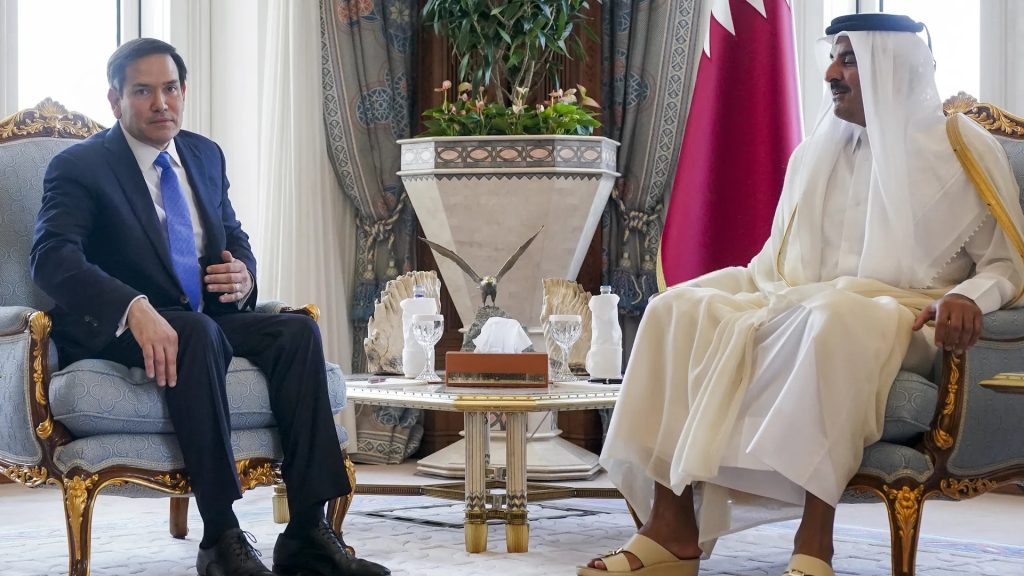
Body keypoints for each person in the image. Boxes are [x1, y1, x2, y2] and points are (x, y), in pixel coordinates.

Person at [580, 14, 1024, 576]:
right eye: (832, 58)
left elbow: (1006, 262)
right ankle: (670, 530)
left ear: (893, 66)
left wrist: (971, 298)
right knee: (676, 309)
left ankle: (815, 544)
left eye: (849, 60)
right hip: (803, 298)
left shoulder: (960, 148)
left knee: (832, 318)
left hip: (906, 315)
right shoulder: (817, 151)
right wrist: (754, 297)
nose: (831, 74)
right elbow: (776, 265)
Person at [30, 38, 390, 576]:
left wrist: (243, 275)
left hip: (206, 317)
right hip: (123, 328)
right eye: (143, 91)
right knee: (195, 332)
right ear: (115, 100)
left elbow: (233, 236)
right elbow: (51, 258)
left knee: (296, 331)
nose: (161, 103)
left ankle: (309, 532)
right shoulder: (80, 166)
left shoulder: (203, 154)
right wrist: (133, 306)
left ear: (184, 90)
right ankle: (220, 537)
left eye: (170, 88)